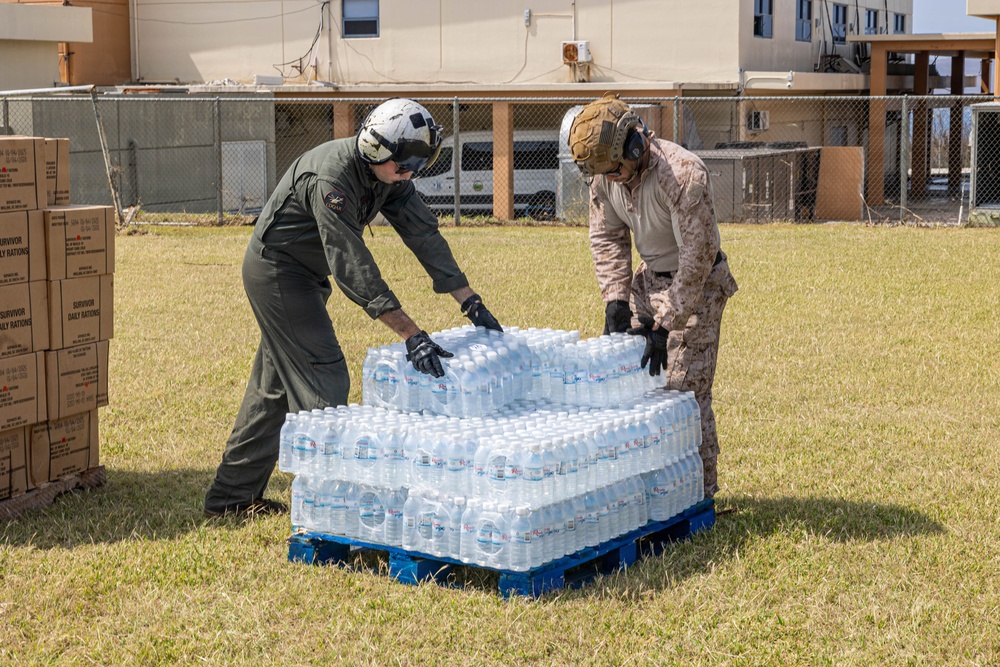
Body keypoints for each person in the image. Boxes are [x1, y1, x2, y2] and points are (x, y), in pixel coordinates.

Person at [204, 98, 503, 518]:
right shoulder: (333, 178)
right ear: (378, 151)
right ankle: (332, 508)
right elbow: (353, 265)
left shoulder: (388, 173)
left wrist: (469, 300)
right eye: (404, 169)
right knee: (324, 377)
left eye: (414, 170)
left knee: (272, 392)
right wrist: (412, 336)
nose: (409, 177)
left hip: (304, 272)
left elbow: (423, 234)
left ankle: (230, 499)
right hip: (279, 272)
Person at [568, 93, 738, 499]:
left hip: (695, 286)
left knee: (683, 393)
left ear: (635, 145)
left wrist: (666, 325)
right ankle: (646, 488)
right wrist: (615, 299)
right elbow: (606, 236)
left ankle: (699, 495)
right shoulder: (604, 177)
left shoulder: (682, 175)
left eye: (616, 170)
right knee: (630, 384)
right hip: (649, 279)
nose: (611, 179)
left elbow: (696, 260)